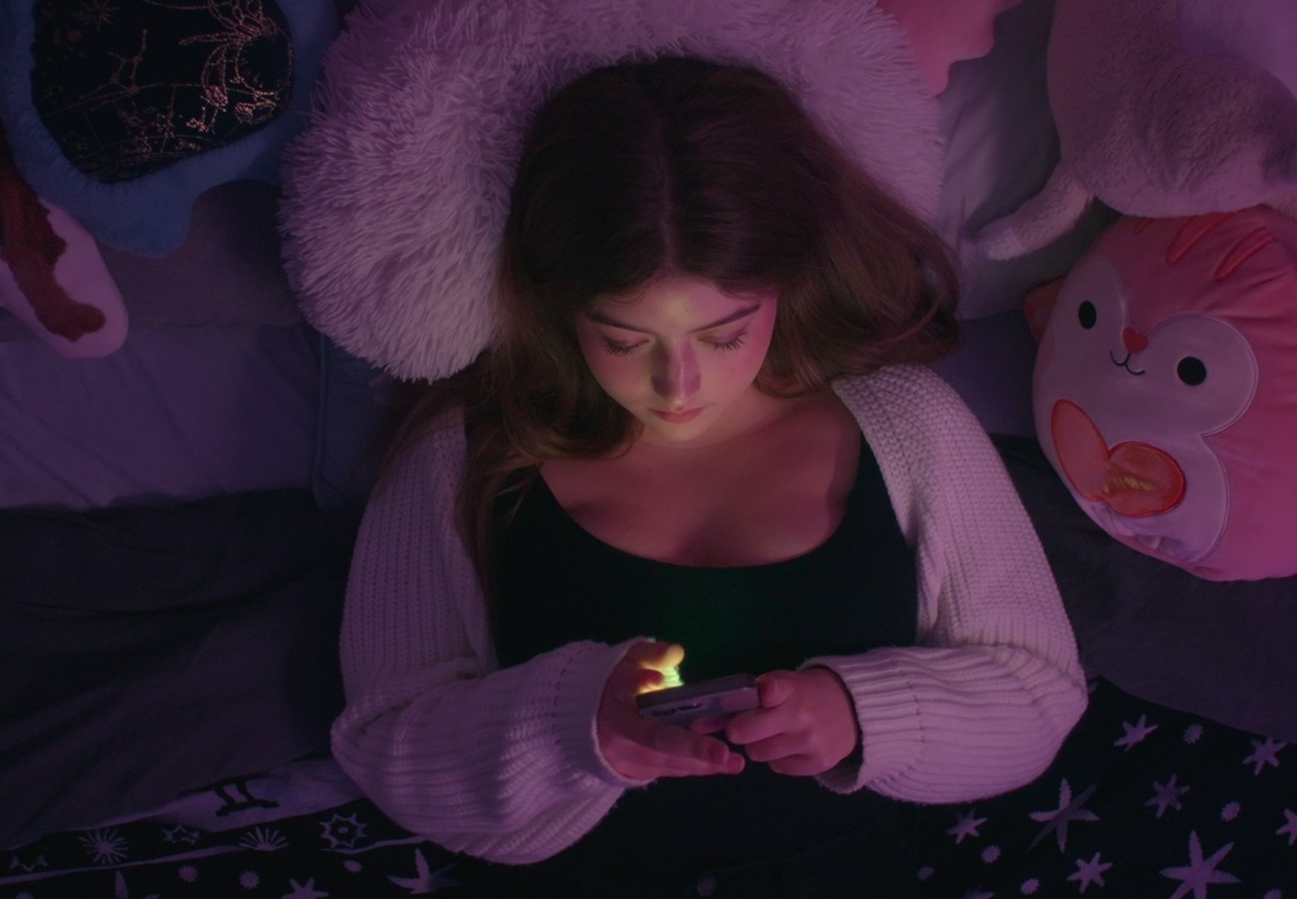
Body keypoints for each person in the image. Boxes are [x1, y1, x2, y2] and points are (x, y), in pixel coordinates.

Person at [330, 56, 1086, 897]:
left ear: (790, 281)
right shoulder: (463, 453)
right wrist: (570, 727)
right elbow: (386, 742)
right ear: (557, 304)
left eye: (725, 335)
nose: (678, 386)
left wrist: (860, 712)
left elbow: (1038, 695)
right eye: (624, 339)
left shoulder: (910, 424)